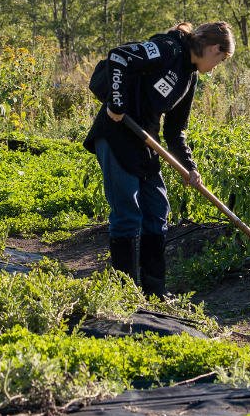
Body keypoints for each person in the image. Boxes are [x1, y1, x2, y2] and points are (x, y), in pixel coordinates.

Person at [83, 21, 235, 298]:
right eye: (220, 60)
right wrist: (117, 104)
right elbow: (119, 56)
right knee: (128, 213)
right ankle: (123, 292)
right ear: (213, 48)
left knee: (156, 211)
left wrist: (189, 167)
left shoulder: (189, 78)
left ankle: (154, 290)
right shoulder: (167, 49)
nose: (217, 66)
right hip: (117, 133)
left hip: (145, 142)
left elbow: (176, 131)